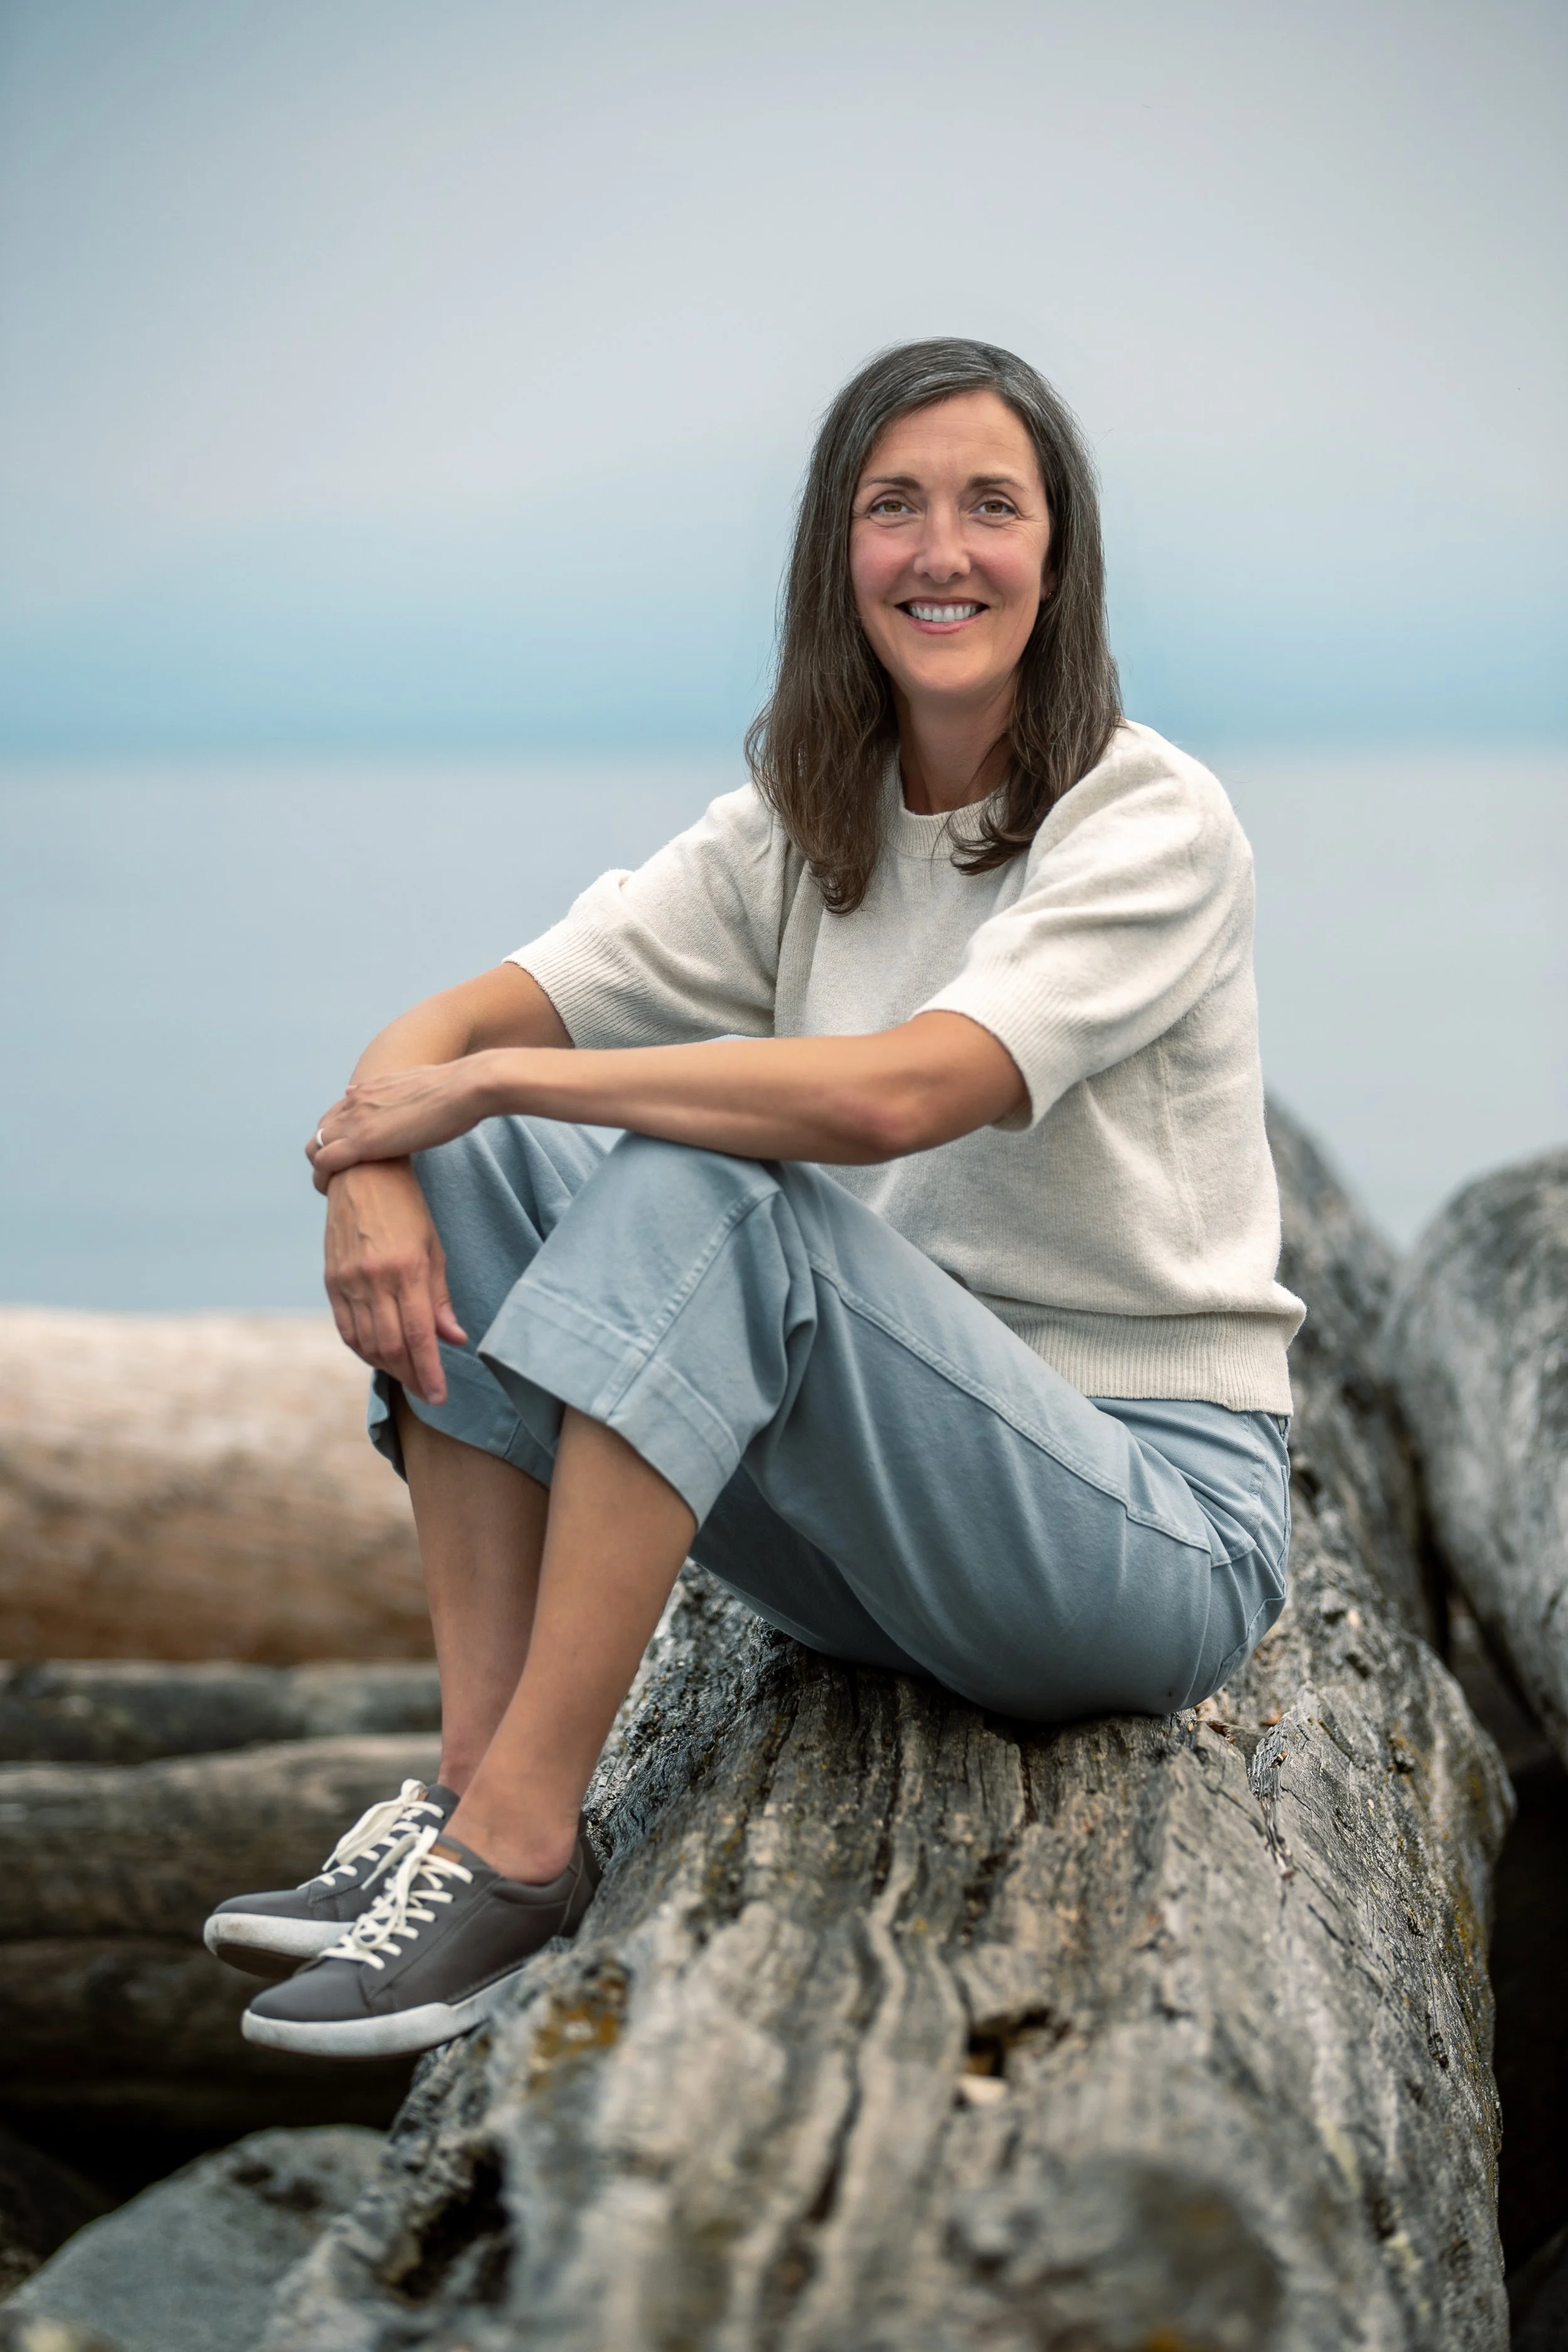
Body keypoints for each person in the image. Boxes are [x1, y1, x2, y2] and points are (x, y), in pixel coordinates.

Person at [206, 337, 1302, 2058]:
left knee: (697, 1174)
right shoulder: (805, 825)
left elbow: (894, 1094)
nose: (940, 551)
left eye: (989, 507)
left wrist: (496, 1080)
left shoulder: (1144, 818)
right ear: (834, 555)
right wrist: (380, 1154)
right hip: (901, 1512)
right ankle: (471, 1787)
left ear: (1057, 556)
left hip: (1141, 1526)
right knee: (482, 1158)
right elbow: (460, 1029)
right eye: (893, 507)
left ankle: (521, 1855)